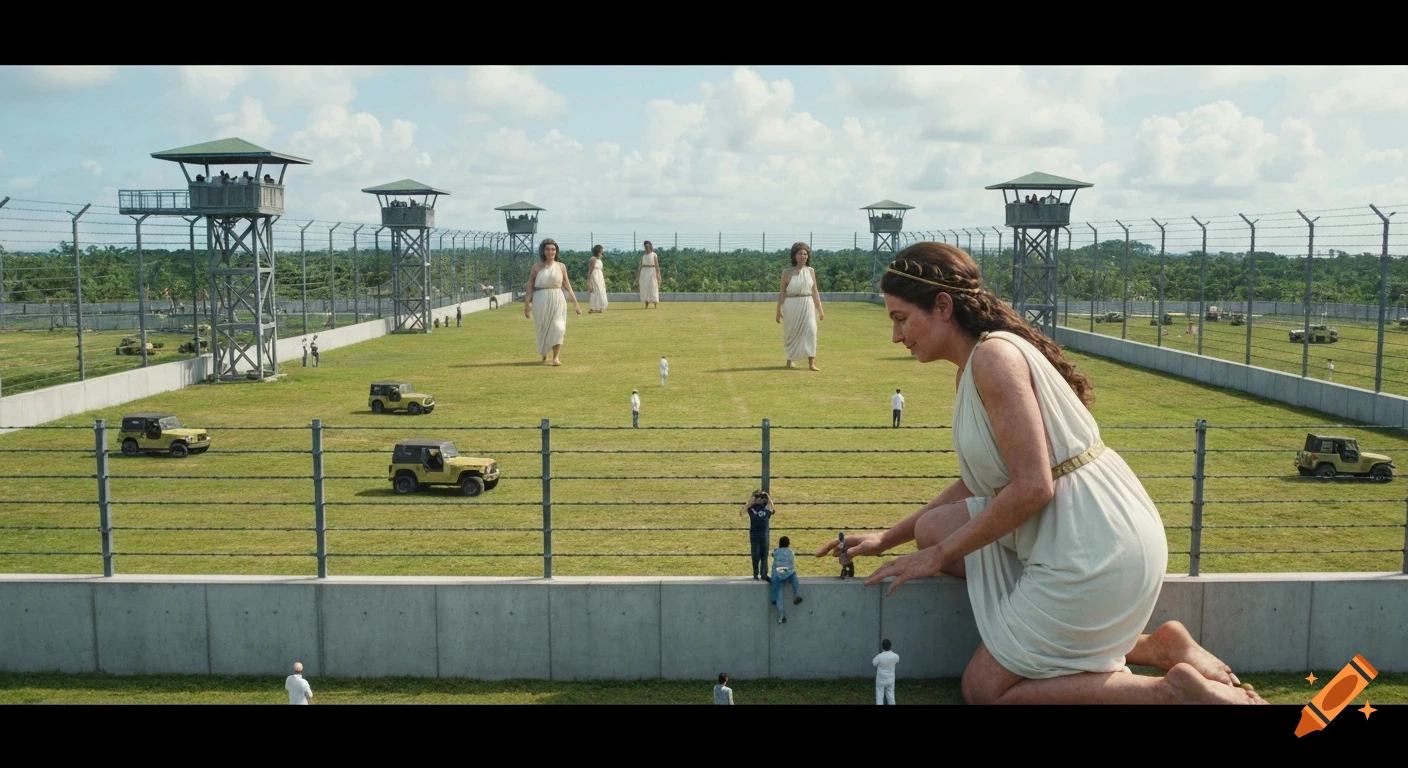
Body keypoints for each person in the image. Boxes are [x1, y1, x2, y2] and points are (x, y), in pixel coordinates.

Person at [815, 241, 1265, 705]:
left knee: (983, 692)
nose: (896, 335)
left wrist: (938, 555)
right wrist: (889, 539)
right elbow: (976, 483)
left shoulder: (994, 359)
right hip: (1085, 530)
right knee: (932, 530)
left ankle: (1168, 692)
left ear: (943, 307)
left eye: (900, 318)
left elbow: (1033, 487)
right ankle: (1154, 646)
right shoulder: (974, 365)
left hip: (1093, 547)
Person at [523, 238, 582, 366]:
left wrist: (576, 304)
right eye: (548, 249)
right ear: (543, 251)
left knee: (558, 327)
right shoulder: (536, 267)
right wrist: (527, 305)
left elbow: (568, 286)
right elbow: (529, 286)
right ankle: (544, 352)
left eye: (553, 249)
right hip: (540, 299)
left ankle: (556, 357)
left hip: (557, 298)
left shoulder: (561, 267)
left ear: (556, 251)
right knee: (542, 327)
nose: (550, 252)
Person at [775, 242, 824, 370]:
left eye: (805, 254)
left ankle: (811, 363)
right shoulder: (787, 272)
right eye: (799, 253)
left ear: (808, 256)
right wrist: (778, 310)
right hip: (791, 304)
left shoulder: (810, 271)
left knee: (811, 331)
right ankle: (790, 360)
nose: (802, 256)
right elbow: (782, 292)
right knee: (791, 332)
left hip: (807, 304)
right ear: (794, 256)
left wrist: (820, 309)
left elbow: (814, 290)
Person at [741, 490, 774, 580]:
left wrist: (768, 497)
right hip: (754, 536)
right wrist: (751, 501)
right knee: (755, 556)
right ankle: (755, 574)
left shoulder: (766, 511)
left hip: (764, 536)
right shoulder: (752, 509)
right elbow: (742, 513)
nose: (761, 499)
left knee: (764, 556)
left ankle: (764, 574)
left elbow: (773, 510)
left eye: (762, 498)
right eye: (759, 497)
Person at [770, 535, 802, 624]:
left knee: (778, 595)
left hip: (777, 575)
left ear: (779, 544)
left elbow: (772, 554)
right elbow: (792, 557)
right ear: (788, 544)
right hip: (788, 574)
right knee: (794, 580)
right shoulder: (791, 552)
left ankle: (781, 615)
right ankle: (796, 595)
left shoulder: (776, 551)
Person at [635, 240, 661, 308]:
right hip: (644, 272)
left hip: (652, 271)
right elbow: (640, 267)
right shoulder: (643, 256)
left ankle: (655, 303)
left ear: (650, 247)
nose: (647, 249)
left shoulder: (654, 255)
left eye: (648, 247)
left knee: (653, 287)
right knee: (645, 288)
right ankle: (646, 303)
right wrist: (637, 278)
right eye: (646, 248)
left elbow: (657, 266)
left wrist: (658, 276)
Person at [874, 639, 899, 705]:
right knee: (891, 695)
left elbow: (874, 663)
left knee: (879, 695)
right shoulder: (895, 656)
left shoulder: (879, 656)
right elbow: (897, 660)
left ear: (882, 647)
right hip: (890, 679)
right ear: (890, 646)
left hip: (881, 679)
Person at [587, 244, 609, 313]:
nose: (601, 252)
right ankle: (593, 307)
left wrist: (604, 278)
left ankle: (600, 307)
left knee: (601, 290)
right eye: (600, 251)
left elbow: (601, 270)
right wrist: (589, 282)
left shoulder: (599, 259)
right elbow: (590, 270)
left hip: (600, 276)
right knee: (596, 290)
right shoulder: (593, 259)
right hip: (595, 275)